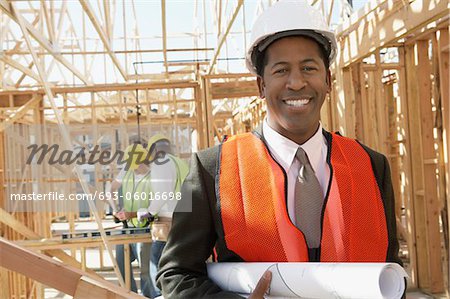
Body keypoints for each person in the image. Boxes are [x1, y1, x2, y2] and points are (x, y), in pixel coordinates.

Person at [157, 1, 402, 298]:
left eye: (308, 68)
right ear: (261, 85)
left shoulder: (373, 166)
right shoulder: (209, 169)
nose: (296, 83)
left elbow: (391, 270)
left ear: (327, 80)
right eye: (281, 70)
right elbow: (174, 273)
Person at [135, 134, 190, 298]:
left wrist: (149, 211)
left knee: (157, 264)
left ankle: (160, 295)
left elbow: (162, 193)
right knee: (179, 264)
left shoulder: (161, 162)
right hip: (186, 218)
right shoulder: (179, 162)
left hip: (168, 222)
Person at [112, 143, 155, 298]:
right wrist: (116, 207)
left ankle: (150, 296)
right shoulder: (128, 172)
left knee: (146, 270)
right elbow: (112, 187)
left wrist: (131, 214)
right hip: (128, 228)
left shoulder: (154, 178)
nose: (134, 168)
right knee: (120, 262)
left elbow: (154, 209)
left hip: (146, 229)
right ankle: (128, 295)